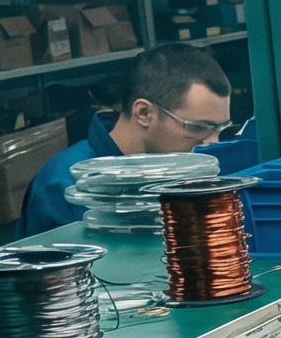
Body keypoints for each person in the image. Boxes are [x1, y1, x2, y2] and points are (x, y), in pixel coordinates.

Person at [25, 45, 233, 236]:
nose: (213, 144)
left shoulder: (184, 166)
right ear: (143, 113)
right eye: (198, 127)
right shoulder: (65, 184)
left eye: (220, 128)